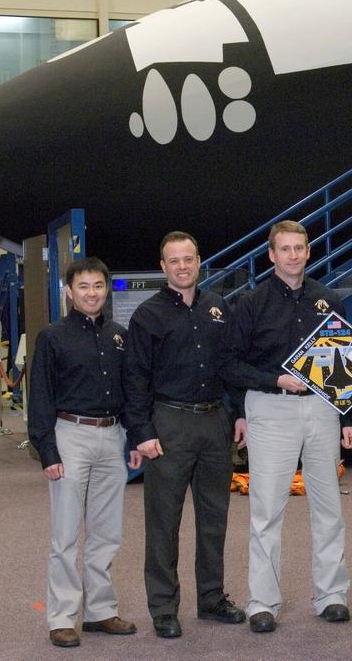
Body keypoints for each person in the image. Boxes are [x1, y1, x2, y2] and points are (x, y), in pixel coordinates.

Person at [221, 220, 352, 633]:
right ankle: (263, 602)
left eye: (299, 248)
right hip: (271, 408)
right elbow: (230, 364)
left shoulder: (328, 299)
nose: (293, 255)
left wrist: (346, 416)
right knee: (266, 509)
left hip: (321, 409)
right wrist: (275, 380)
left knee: (328, 506)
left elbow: (343, 364)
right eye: (285, 249)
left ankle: (332, 595)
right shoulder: (250, 303)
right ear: (271, 254)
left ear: (309, 252)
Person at [123, 232, 248, 639]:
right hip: (168, 423)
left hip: (214, 423)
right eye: (173, 261)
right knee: (164, 521)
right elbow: (135, 378)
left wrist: (240, 413)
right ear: (163, 266)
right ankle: (163, 607)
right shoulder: (147, 316)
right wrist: (141, 432)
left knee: (215, 518)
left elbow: (231, 366)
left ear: (199, 261)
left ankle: (211, 599)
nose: (182, 267)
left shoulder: (218, 308)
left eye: (188, 259)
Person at [27, 256, 142, 649]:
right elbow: (39, 397)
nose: (91, 293)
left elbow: (129, 394)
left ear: (106, 289)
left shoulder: (119, 336)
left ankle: (100, 611)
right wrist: (48, 451)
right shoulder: (52, 337)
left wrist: (133, 438)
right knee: (65, 534)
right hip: (69, 436)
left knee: (107, 532)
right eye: (83, 287)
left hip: (112, 437)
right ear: (69, 292)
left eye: (98, 286)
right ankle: (61, 617)